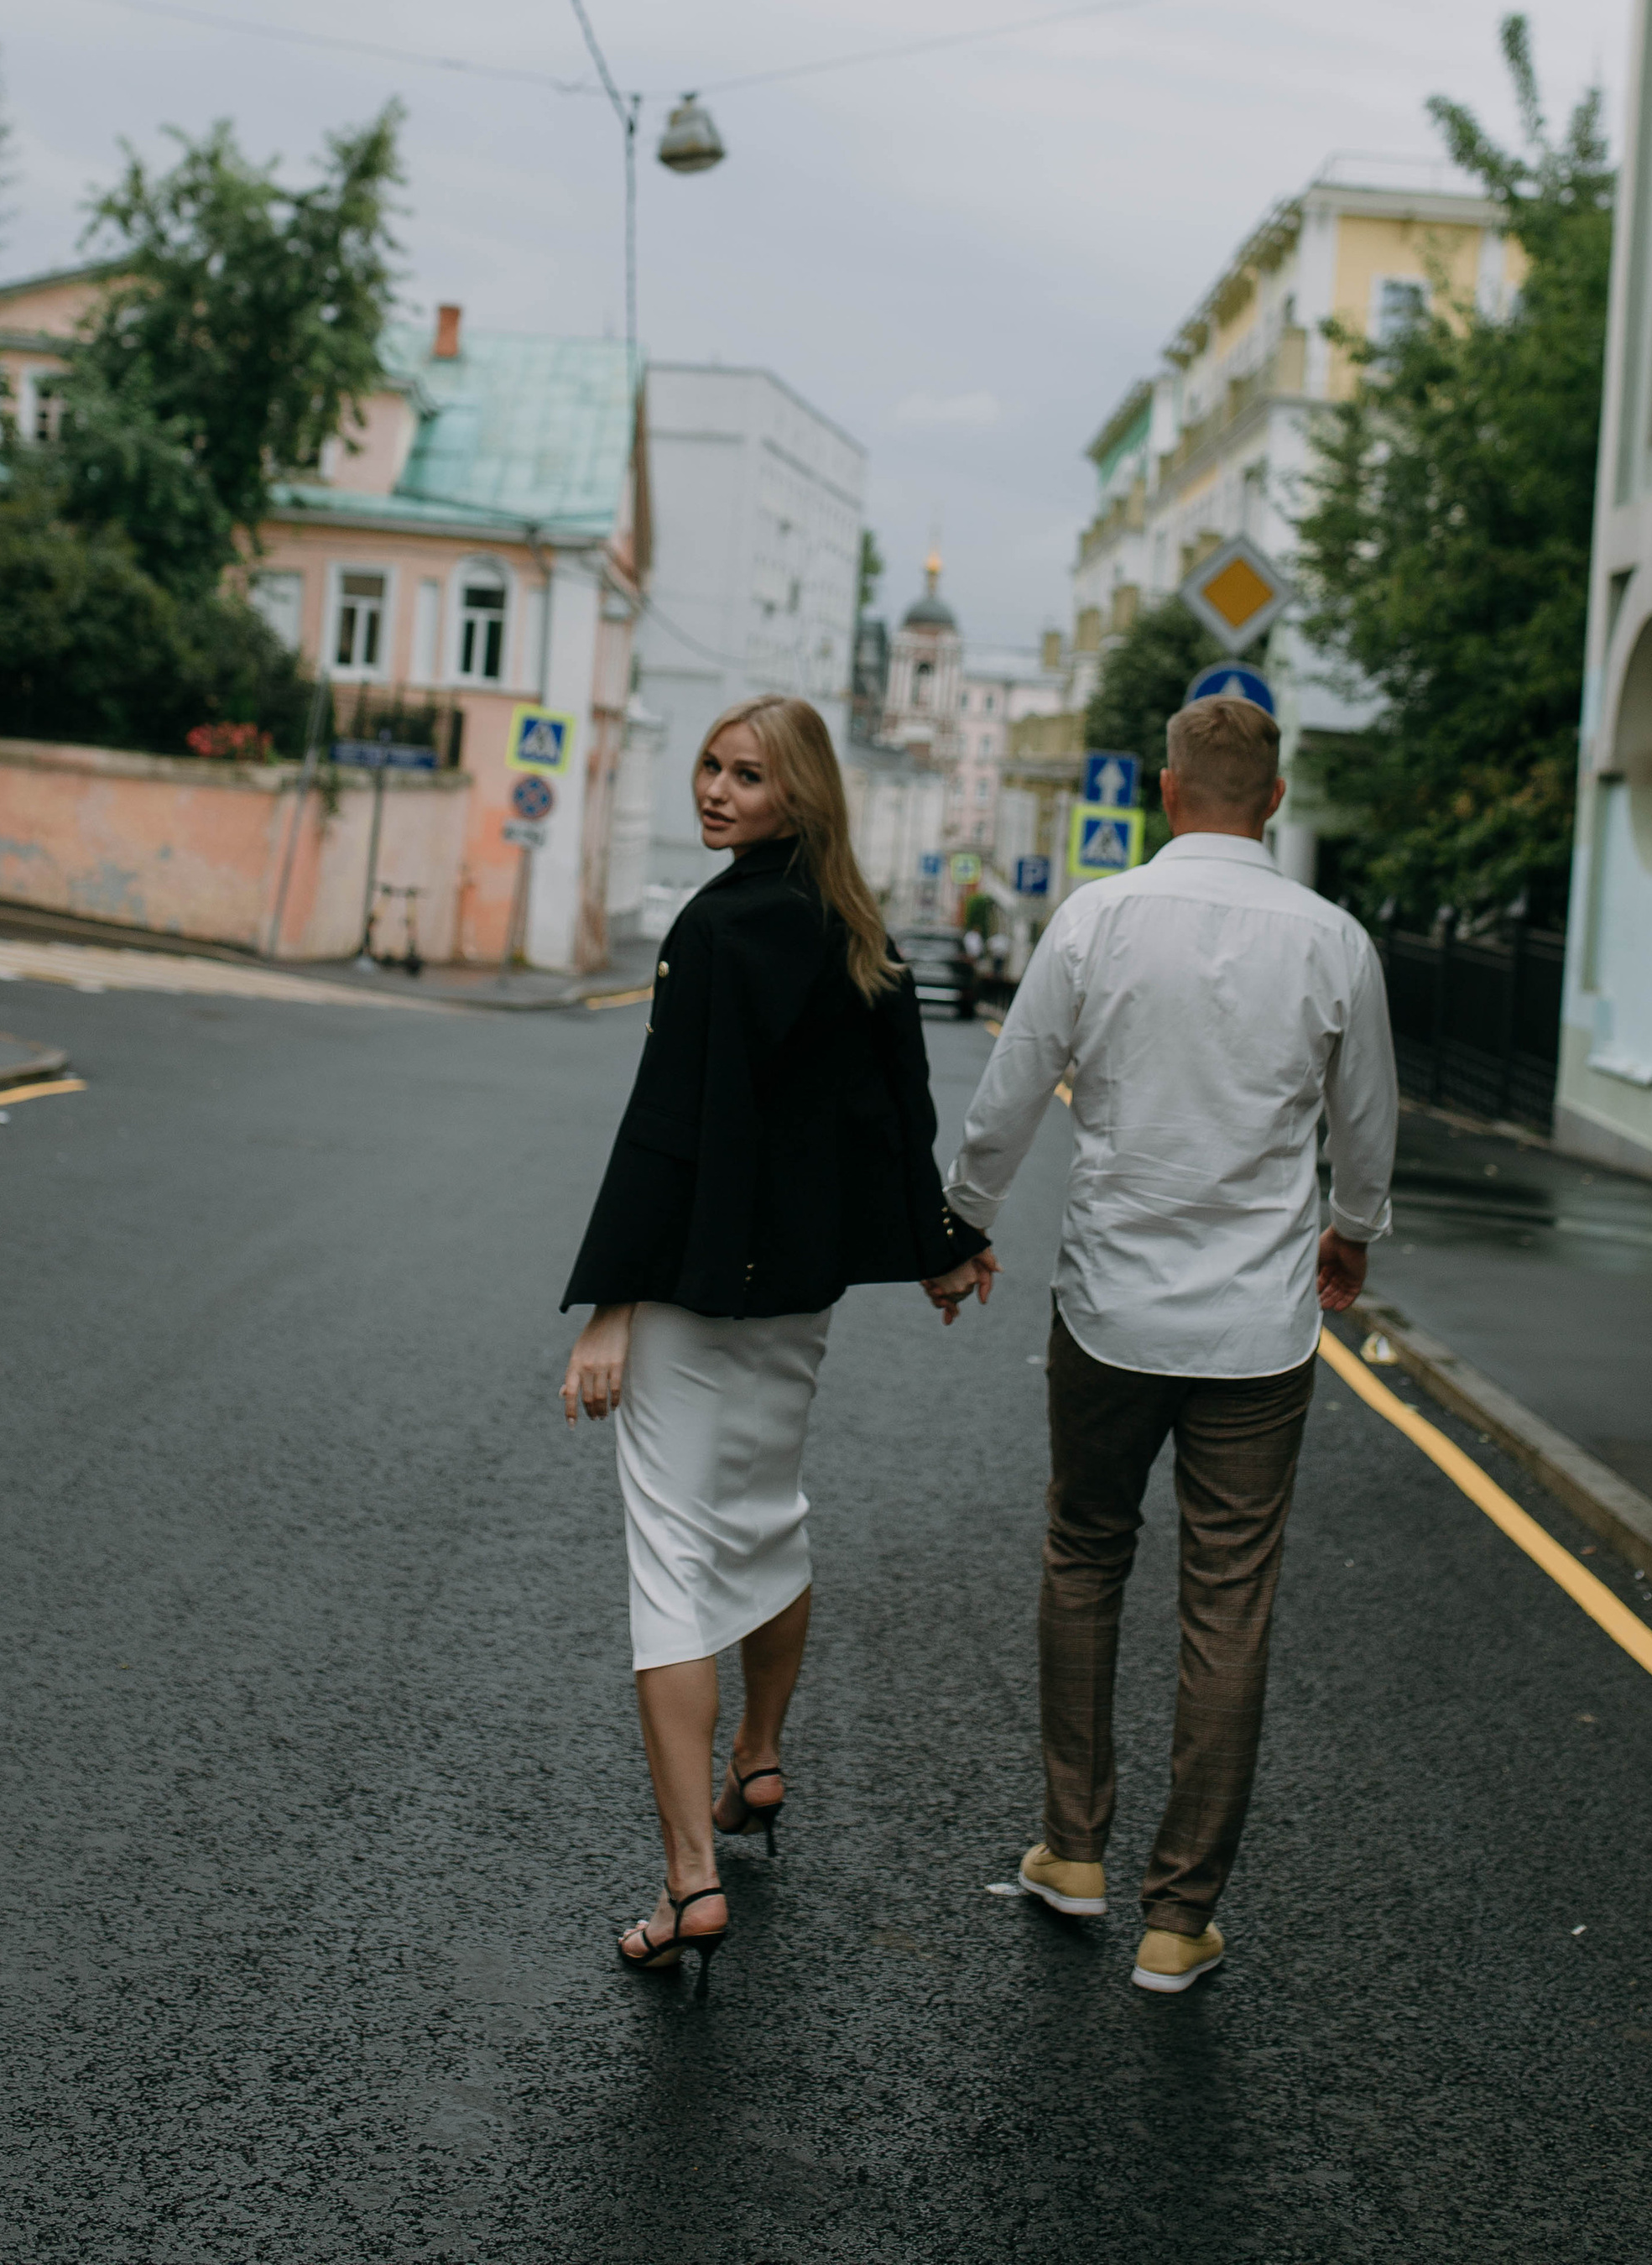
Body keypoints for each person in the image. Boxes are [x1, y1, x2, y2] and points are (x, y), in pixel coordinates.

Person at [942, 693, 1394, 1997]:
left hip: (1112, 1310)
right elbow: (1364, 1128)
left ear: (1160, 790)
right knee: (1228, 1600)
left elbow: (1012, 1088)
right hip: (1259, 1328)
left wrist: (962, 1221)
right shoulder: (1334, 942)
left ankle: (1072, 1852)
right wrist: (1351, 1234)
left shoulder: (1097, 919)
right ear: (1277, 798)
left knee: (1085, 1554)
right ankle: (1176, 1917)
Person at [560, 693, 994, 1996]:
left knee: (672, 1571)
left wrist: (611, 1301)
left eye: (746, 777)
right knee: (764, 1516)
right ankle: (758, 1757)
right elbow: (895, 1119)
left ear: (798, 797)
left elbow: (666, 1128)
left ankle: (690, 1878)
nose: (714, 792)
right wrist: (939, 1245)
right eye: (709, 768)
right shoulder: (860, 936)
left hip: (696, 1296)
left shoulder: (713, 931)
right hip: (797, 1300)